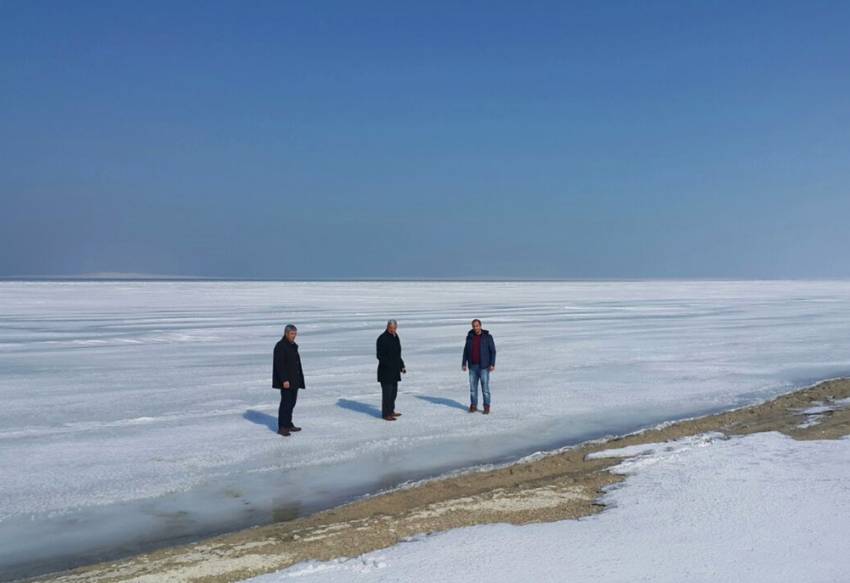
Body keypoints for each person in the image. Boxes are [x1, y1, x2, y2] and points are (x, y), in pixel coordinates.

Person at [272, 324, 305, 436]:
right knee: (286, 403)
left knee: (292, 403)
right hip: (286, 381)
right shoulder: (280, 346)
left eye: (295, 334)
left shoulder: (292, 345)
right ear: (286, 333)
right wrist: (284, 380)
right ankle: (282, 427)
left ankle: (288, 424)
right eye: (292, 334)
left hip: (294, 380)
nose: (294, 336)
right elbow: (279, 365)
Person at [462, 319, 496, 414]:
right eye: (474, 326)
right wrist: (464, 363)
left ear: (480, 326)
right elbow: (465, 351)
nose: (475, 327)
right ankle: (473, 405)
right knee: (473, 389)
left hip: (484, 367)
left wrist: (492, 364)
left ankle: (486, 406)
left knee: (485, 389)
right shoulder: (469, 337)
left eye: (477, 325)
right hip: (472, 367)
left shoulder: (487, 337)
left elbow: (492, 351)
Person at [376, 319, 406, 421]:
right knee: (387, 394)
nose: (393, 330)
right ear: (387, 327)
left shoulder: (395, 336)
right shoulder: (382, 338)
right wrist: (390, 365)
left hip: (394, 371)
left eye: (394, 328)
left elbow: (398, 354)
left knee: (393, 393)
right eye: (391, 328)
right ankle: (386, 414)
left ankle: (391, 411)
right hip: (385, 371)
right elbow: (380, 356)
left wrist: (401, 365)